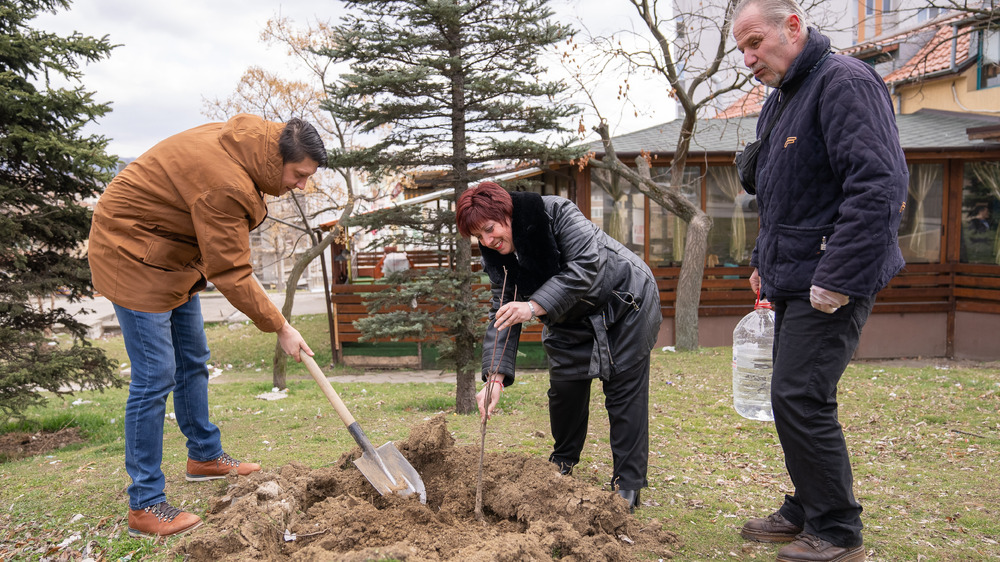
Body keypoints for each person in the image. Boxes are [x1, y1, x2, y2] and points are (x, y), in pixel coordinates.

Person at [88, 114, 326, 538]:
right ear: (279, 158)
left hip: (173, 253)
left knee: (193, 357)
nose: (301, 185)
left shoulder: (252, 144)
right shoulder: (226, 185)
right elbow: (232, 271)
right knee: (155, 375)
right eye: (299, 174)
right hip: (130, 251)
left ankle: (204, 455)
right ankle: (145, 504)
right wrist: (281, 326)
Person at [731, 1, 907, 560]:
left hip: (830, 278)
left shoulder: (845, 83)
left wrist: (838, 278)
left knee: (800, 396)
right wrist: (764, 258)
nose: (747, 58)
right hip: (794, 276)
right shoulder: (782, 98)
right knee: (791, 397)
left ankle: (836, 531)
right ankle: (808, 505)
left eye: (754, 42)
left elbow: (879, 187)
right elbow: (782, 198)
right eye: (741, 49)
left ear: (794, 27)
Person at [456, 181, 662, 512]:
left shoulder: (557, 214)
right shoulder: (498, 254)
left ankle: (629, 484)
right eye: (479, 237)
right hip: (567, 317)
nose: (487, 241)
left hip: (624, 305)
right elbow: (504, 308)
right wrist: (494, 376)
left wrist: (533, 306)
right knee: (565, 390)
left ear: (507, 212)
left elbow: (584, 269)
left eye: (490, 230)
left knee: (624, 395)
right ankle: (562, 463)